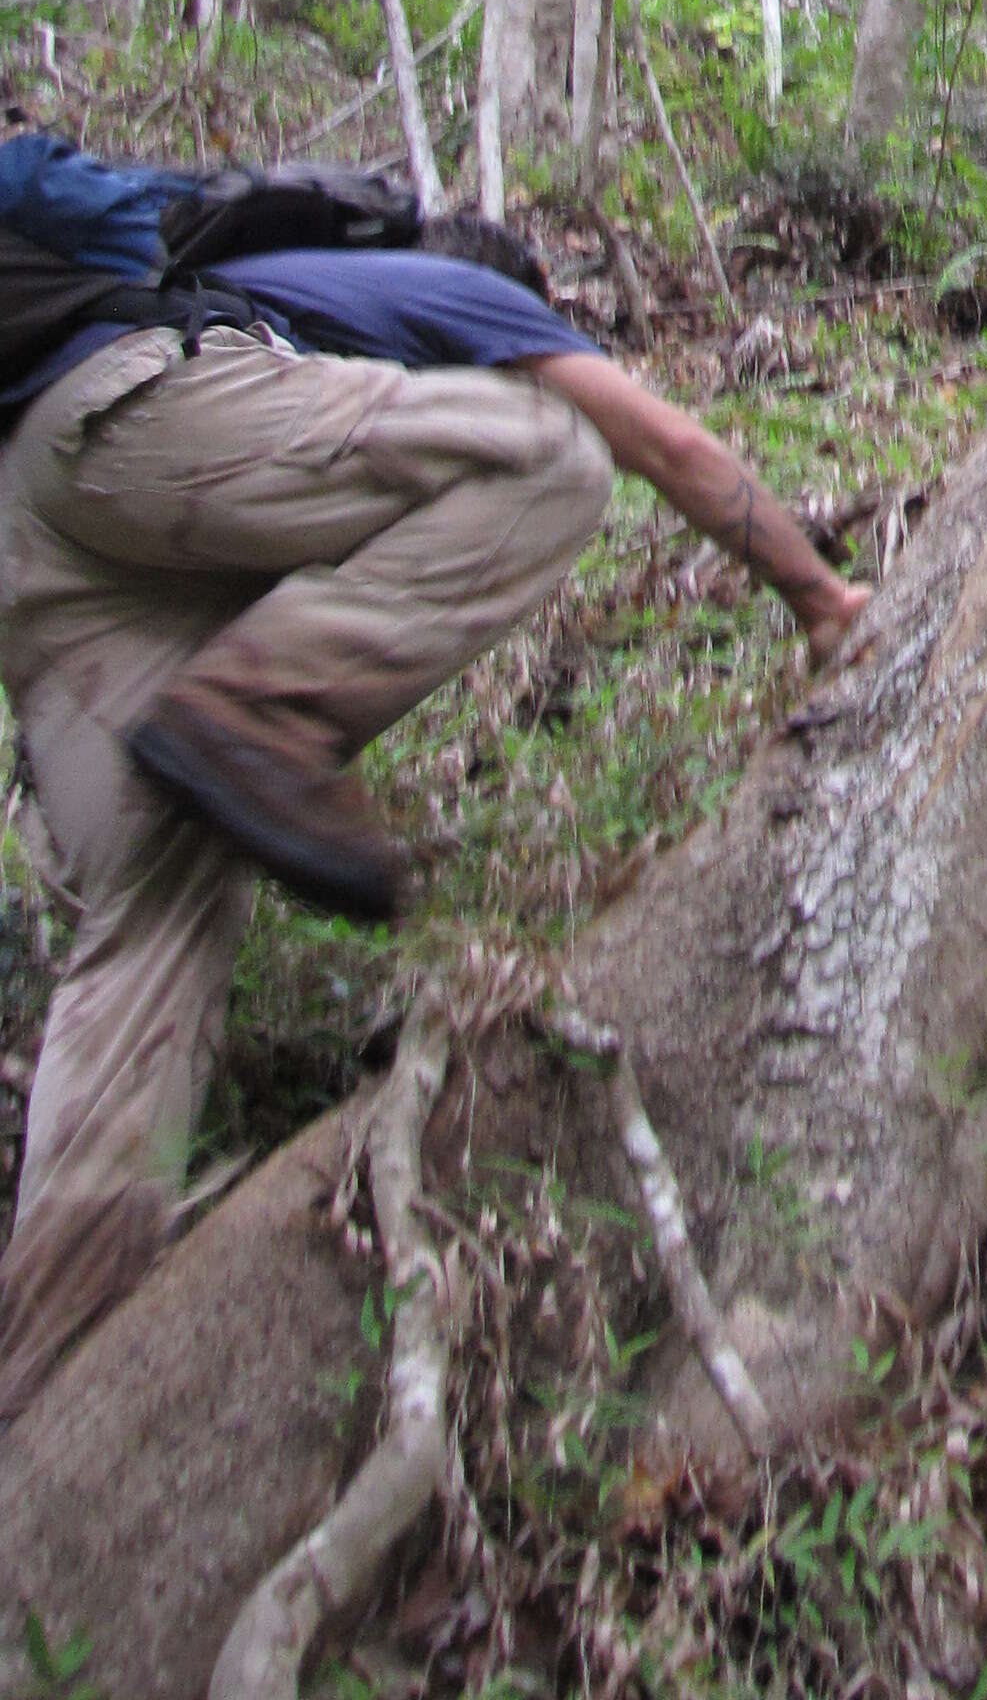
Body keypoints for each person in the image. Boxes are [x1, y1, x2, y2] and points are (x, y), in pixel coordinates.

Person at [0, 214, 869, 1419]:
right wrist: (823, 599)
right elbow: (659, 444)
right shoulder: (450, 296)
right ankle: (260, 711)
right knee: (553, 457)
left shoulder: (285, 280)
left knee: (161, 907)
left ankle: (45, 1378)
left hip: (47, 518)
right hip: (145, 409)